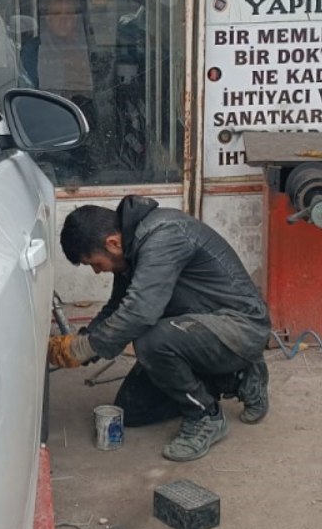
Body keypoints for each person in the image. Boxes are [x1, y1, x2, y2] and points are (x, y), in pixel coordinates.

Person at [49, 195, 272, 462]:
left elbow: (139, 312)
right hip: (194, 327)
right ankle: (236, 378)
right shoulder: (131, 248)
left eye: (96, 263)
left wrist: (83, 349)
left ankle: (206, 416)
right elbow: (118, 307)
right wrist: (85, 340)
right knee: (132, 409)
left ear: (112, 242)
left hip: (239, 328)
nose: (98, 272)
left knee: (151, 342)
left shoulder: (164, 237)